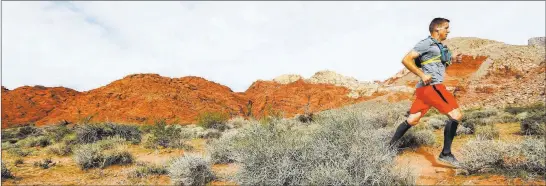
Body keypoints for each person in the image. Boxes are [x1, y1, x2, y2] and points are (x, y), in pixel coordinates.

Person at [389, 17, 463, 166]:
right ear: (437, 29)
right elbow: (406, 59)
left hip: (423, 90)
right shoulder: (426, 43)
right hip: (433, 87)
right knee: (456, 115)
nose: (448, 31)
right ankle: (446, 154)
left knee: (412, 119)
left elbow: (437, 62)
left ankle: (388, 149)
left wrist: (453, 59)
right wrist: (422, 74)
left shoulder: (438, 46)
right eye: (446, 28)